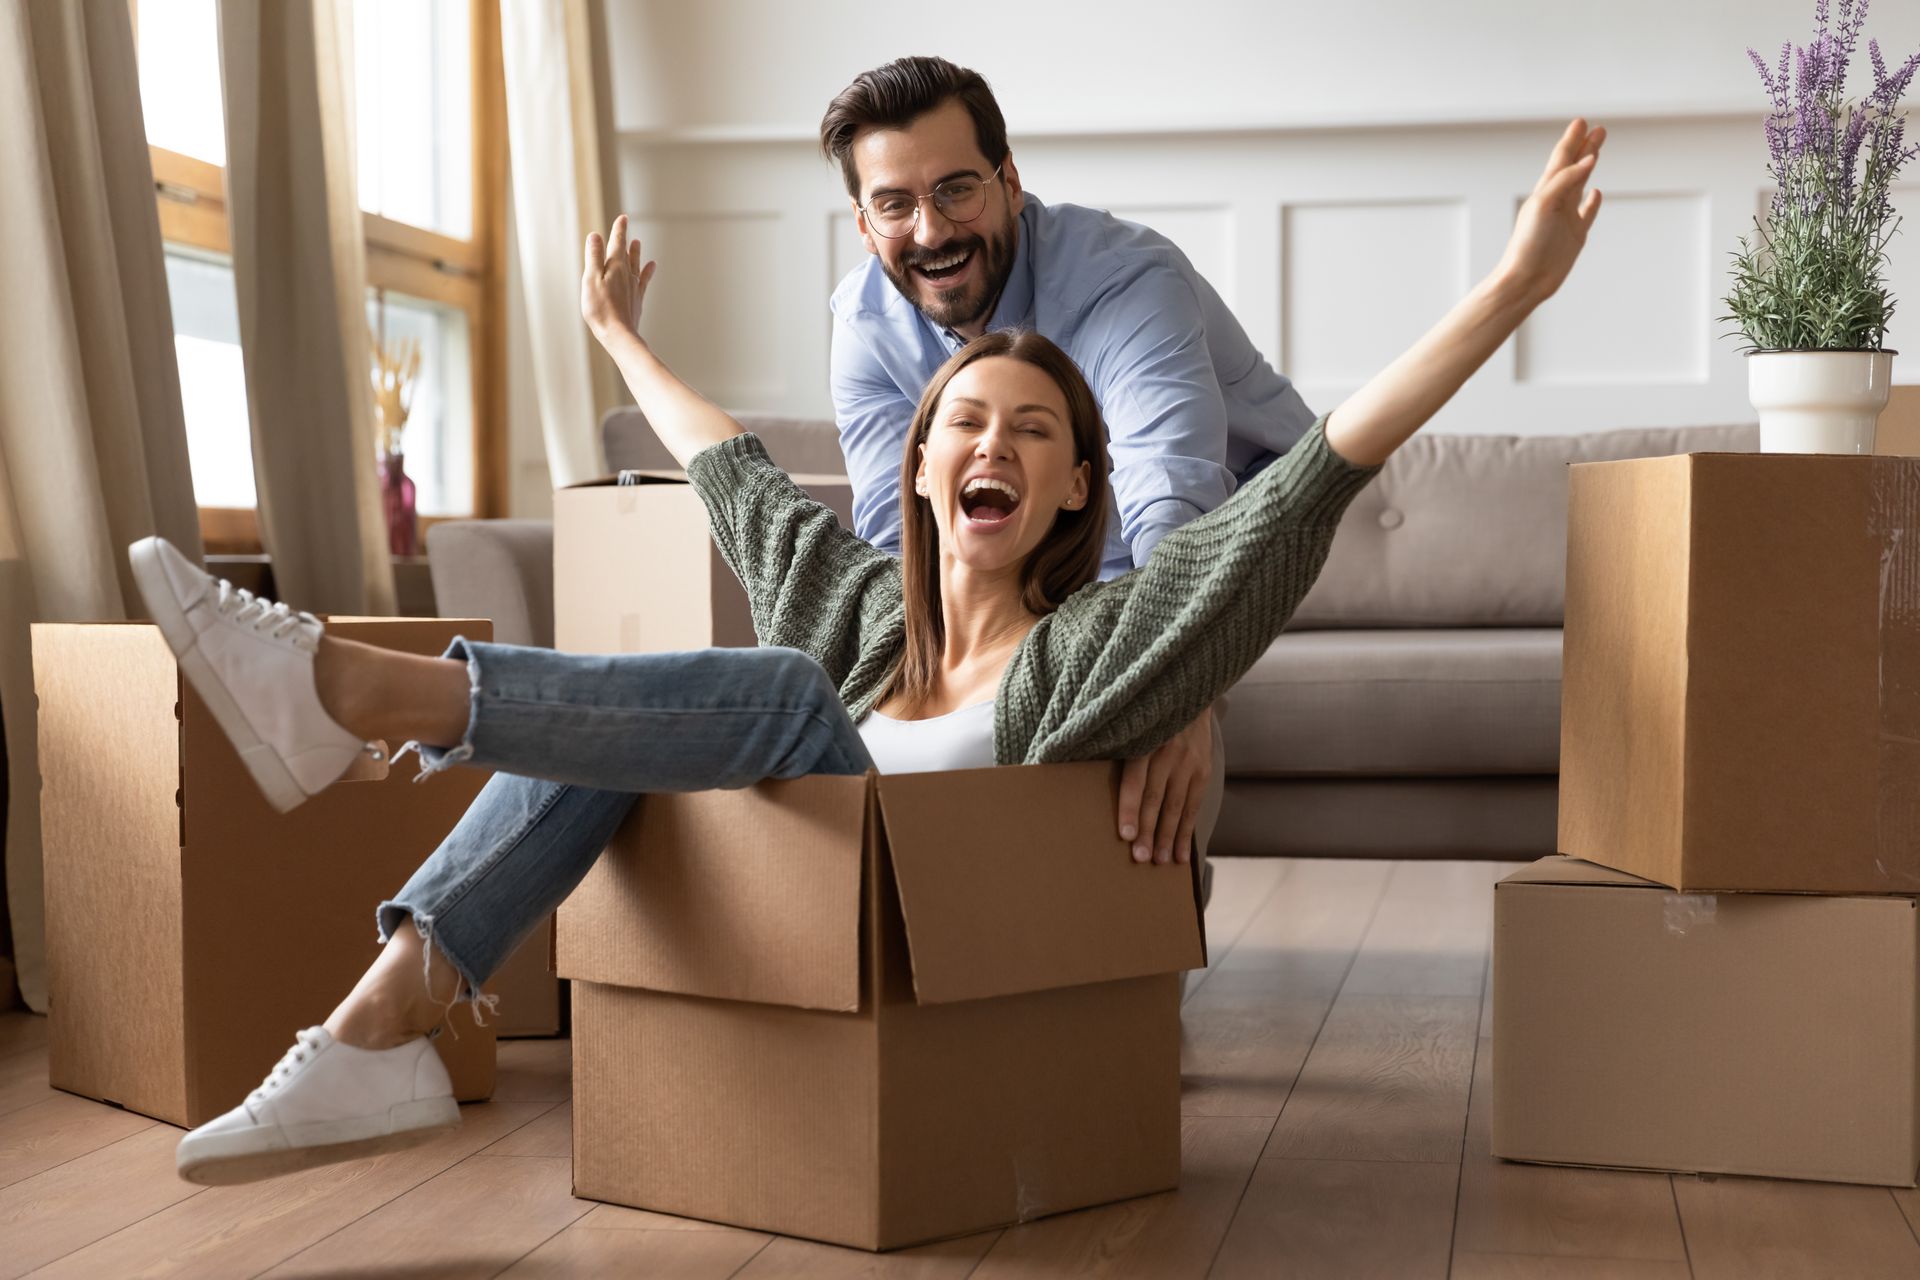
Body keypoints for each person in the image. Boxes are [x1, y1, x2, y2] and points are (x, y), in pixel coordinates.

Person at [128, 119, 1603, 1186]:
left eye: (1036, 432)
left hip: (936, 958)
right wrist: (620, 338)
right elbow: (732, 472)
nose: (996, 443)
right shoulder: (859, 613)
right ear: (911, 468)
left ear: (1076, 489)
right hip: (799, 955)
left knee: (773, 695)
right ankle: (380, 1018)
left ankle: (347, 693)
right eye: (965, 421)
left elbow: (1311, 477)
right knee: (652, 719)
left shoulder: (1099, 648)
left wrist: (1515, 293)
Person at [820, 56, 1302, 870]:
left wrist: (1176, 699)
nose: (931, 231)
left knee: (1141, 768)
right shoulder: (863, 324)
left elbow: (1171, 503)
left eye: (957, 189)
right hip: (1032, 562)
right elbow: (895, 535)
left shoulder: (1123, 281)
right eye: (896, 204)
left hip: (1231, 527)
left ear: (1009, 180)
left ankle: (1149, 913)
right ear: (865, 225)